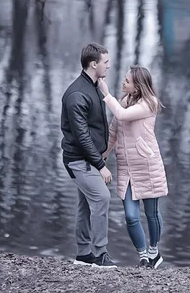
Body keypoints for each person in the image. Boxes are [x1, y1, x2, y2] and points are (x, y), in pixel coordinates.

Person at [98, 65, 168, 268]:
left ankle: (154, 252)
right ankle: (143, 255)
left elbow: (122, 115)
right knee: (130, 216)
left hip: (147, 166)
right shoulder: (123, 102)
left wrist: (106, 94)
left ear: (137, 88)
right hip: (127, 169)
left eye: (127, 81)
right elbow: (113, 130)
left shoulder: (149, 104)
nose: (123, 82)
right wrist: (104, 154)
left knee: (152, 213)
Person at [60, 43, 116, 269]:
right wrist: (100, 165)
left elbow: (94, 128)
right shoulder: (77, 95)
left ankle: (83, 254)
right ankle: (100, 253)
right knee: (102, 198)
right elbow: (82, 137)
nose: (109, 65)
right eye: (105, 62)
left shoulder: (93, 86)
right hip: (78, 160)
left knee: (86, 203)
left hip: (90, 158)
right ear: (93, 64)